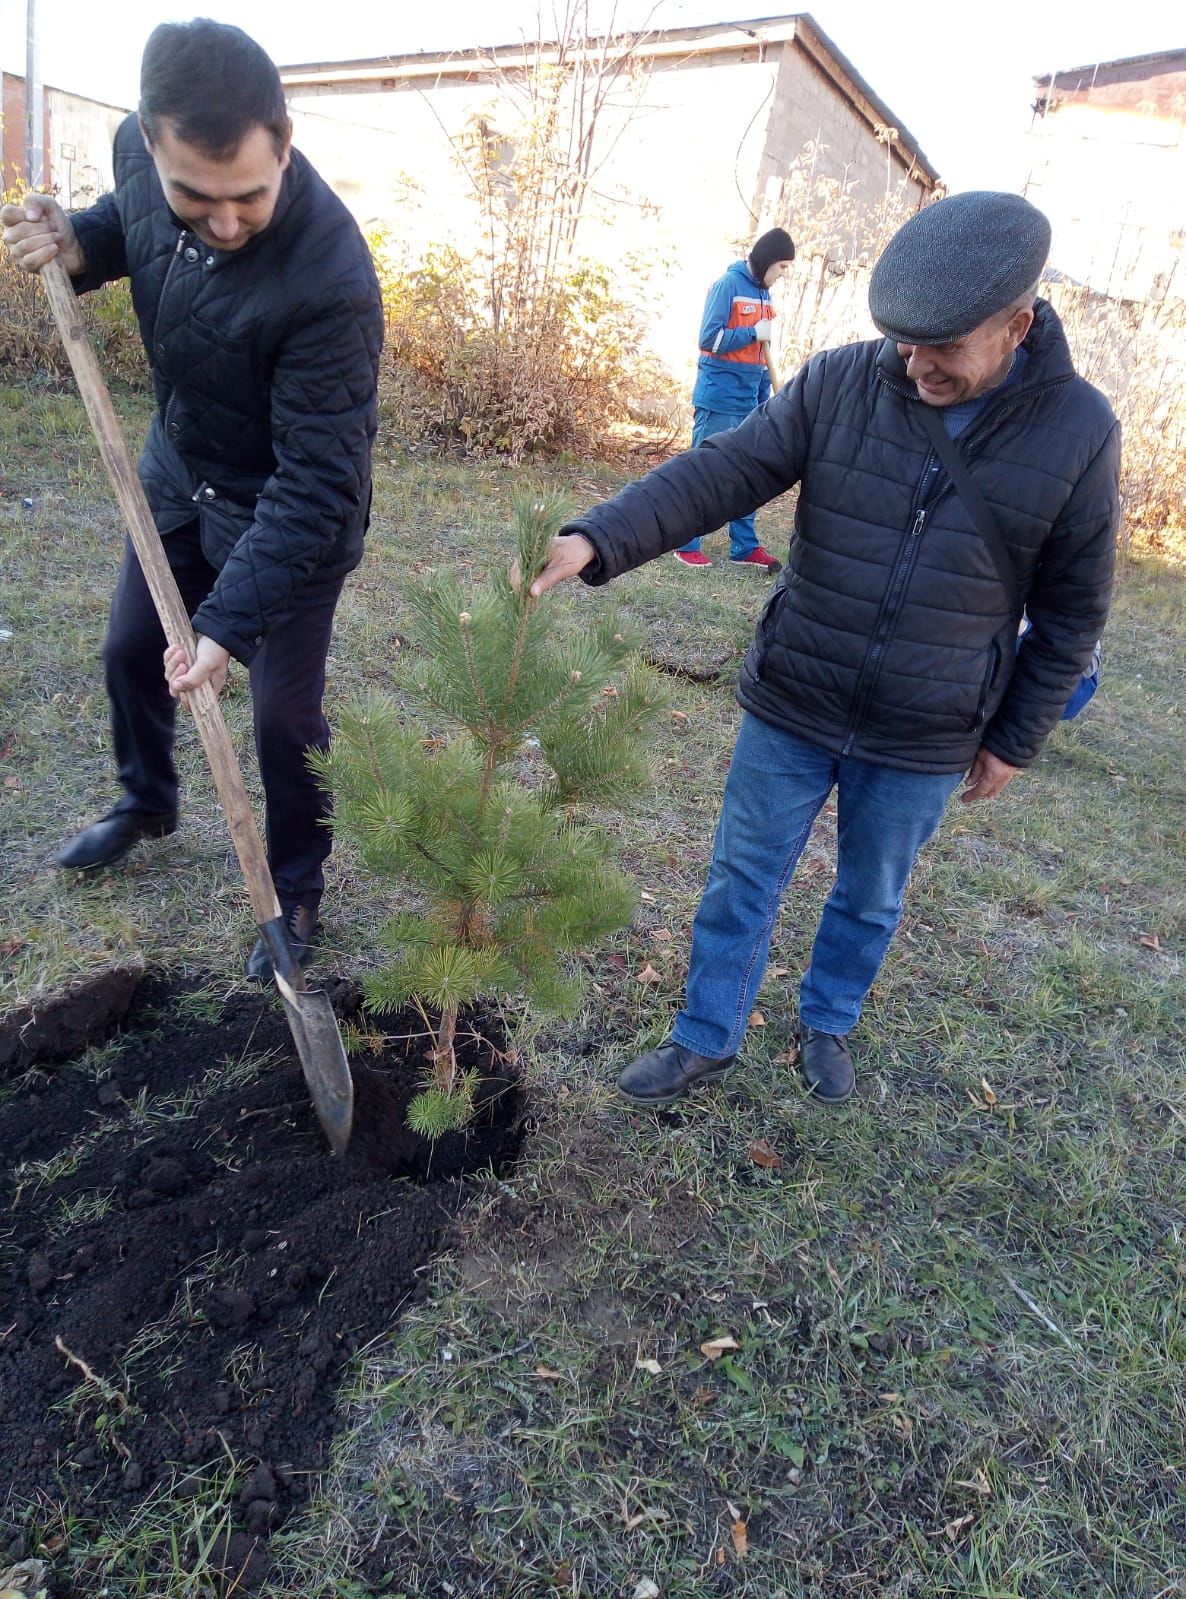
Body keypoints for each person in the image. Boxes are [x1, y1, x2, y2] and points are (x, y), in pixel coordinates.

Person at [524, 191, 1119, 1107]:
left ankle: (828, 1021)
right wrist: (600, 536)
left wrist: (1015, 736)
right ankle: (705, 1035)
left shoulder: (1081, 431)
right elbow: (725, 470)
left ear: (1018, 325)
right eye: (905, 341)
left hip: (928, 729)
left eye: (945, 348)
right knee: (740, 878)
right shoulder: (842, 381)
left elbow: (1075, 610)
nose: (916, 364)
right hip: (797, 695)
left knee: (871, 896)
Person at [2, 19, 384, 981]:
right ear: (150, 140)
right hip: (181, 474)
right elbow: (135, 226)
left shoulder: (331, 278)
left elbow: (314, 483)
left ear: (285, 144)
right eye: (195, 197)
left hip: (289, 518)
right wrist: (76, 243)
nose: (223, 221)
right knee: (129, 648)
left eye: (249, 196)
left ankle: (295, 890)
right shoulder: (140, 152)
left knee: (280, 717)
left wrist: (225, 628)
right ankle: (149, 798)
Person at [674, 226, 796, 572]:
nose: (783, 274)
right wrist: (751, 332)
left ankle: (744, 546)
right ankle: (685, 542)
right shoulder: (728, 286)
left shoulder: (765, 297)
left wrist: (765, 400)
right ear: (769, 260)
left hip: (749, 400)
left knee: (748, 473)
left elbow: (761, 355)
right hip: (719, 396)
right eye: (782, 266)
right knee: (703, 468)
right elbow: (708, 339)